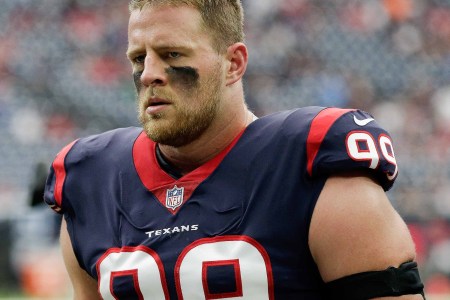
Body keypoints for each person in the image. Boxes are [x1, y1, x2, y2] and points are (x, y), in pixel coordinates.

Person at [44, 0, 425, 299]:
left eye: (173, 54)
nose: (149, 74)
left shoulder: (309, 164)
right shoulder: (90, 179)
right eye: (139, 58)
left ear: (234, 64)